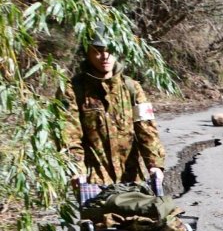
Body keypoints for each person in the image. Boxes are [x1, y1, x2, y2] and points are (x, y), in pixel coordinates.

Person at [65, 26, 165, 190]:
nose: (105, 56)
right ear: (87, 53)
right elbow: (69, 135)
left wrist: (155, 165)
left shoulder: (132, 88)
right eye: (98, 51)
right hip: (94, 181)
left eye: (110, 50)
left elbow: (146, 129)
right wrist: (76, 169)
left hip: (131, 178)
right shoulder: (73, 90)